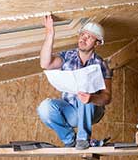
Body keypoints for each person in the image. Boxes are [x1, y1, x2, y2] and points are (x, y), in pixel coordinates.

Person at [37, 15, 112, 150]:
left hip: (92, 111)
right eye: (82, 34)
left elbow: (107, 97)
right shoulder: (67, 57)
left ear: (97, 43)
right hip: (70, 111)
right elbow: (45, 63)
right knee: (45, 107)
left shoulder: (101, 65)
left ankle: (83, 139)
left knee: (85, 89)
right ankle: (70, 140)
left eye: (89, 37)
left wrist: (92, 98)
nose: (83, 38)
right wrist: (50, 33)